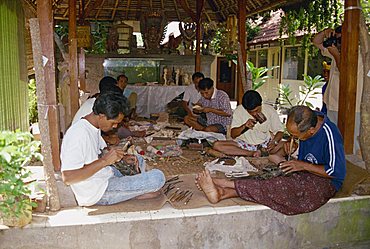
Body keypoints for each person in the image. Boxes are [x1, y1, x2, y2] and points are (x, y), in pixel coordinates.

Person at [195, 105, 346, 215]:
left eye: (295, 136)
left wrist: (302, 165)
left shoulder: (329, 134)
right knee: (270, 179)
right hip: (304, 173)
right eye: (290, 135)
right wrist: (292, 145)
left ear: (311, 131)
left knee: (282, 187)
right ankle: (222, 193)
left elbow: (336, 172)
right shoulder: (307, 120)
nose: (292, 138)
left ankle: (222, 183)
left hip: (325, 182)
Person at [61, 93, 165, 206]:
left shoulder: (93, 127)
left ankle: (135, 191)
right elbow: (68, 177)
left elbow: (101, 153)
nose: (115, 127)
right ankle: (135, 192)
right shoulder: (78, 134)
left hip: (103, 175)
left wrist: (122, 158)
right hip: (97, 191)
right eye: (113, 123)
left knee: (137, 159)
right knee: (157, 177)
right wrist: (105, 161)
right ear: (101, 116)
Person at [313, 26, 363, 153]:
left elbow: (347, 75)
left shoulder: (360, 54)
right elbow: (316, 41)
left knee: (351, 145)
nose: (338, 42)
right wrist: (325, 32)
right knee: (334, 140)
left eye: (341, 39)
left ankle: (349, 170)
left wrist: (335, 54)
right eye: (337, 39)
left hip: (352, 108)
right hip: (333, 105)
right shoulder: (338, 50)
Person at [213, 90, 284, 157]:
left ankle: (263, 151)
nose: (254, 113)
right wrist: (244, 126)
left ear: (261, 104)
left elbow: (280, 131)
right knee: (217, 145)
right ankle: (252, 153)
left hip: (265, 144)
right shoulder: (239, 110)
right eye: (250, 112)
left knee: (289, 145)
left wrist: (274, 142)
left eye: (257, 110)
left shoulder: (270, 110)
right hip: (244, 145)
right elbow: (233, 135)